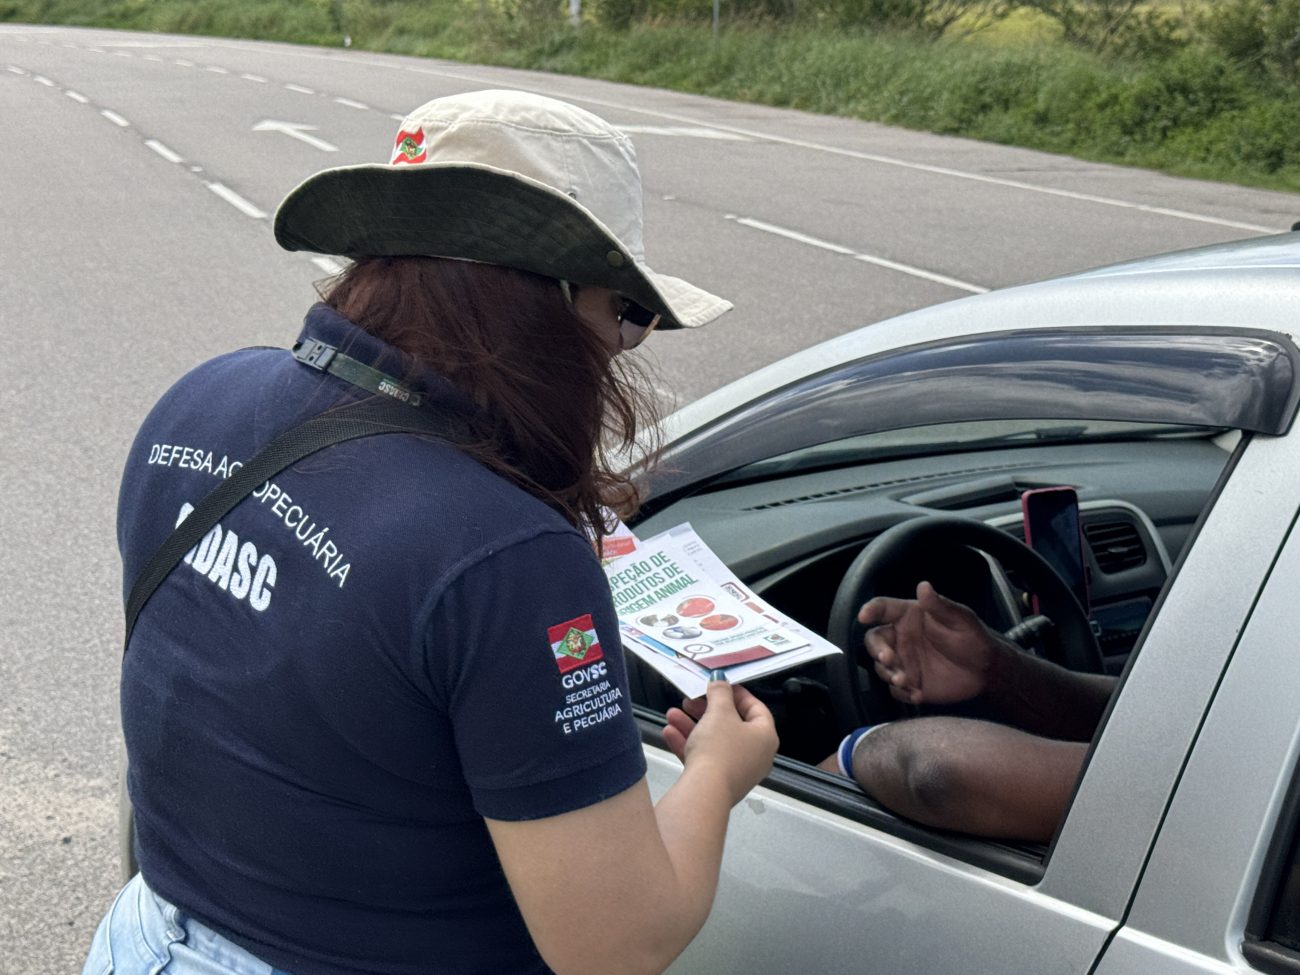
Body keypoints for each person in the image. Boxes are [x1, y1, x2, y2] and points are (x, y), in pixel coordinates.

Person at [84, 89, 778, 975]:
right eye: (627, 311)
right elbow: (616, 945)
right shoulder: (507, 555)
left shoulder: (203, 400)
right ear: (554, 302)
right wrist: (718, 771)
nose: (622, 343)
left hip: (148, 938)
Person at [816, 581, 1118, 843]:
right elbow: (1132, 716)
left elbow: (939, 775)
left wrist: (855, 750)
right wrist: (997, 668)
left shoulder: (1147, 796)